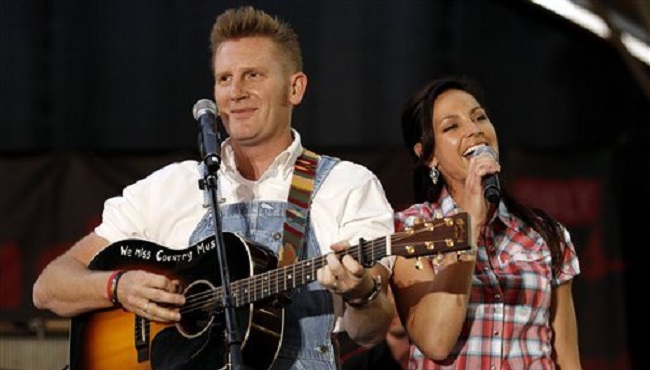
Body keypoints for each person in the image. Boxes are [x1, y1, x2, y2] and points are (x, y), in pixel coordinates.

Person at [32, 6, 395, 370]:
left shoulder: (346, 185)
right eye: (224, 79)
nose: (236, 92)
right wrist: (118, 285)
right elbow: (49, 287)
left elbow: (370, 332)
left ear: (295, 87)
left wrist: (362, 294)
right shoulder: (171, 187)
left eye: (253, 75)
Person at [390, 76, 582, 369]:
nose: (474, 130)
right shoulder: (410, 229)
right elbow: (435, 342)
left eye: (479, 117)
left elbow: (567, 357)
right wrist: (468, 223)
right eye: (452, 126)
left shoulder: (546, 235)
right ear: (427, 155)